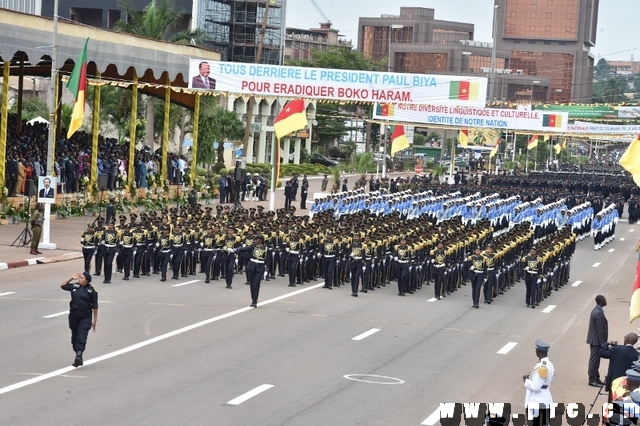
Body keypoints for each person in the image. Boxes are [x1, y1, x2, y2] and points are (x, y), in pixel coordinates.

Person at [60, 271, 98, 368]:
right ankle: (78, 354)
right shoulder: (74, 287)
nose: (80, 279)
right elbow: (63, 286)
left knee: (82, 335)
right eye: (80, 277)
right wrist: (72, 278)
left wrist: (95, 320)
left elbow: (95, 306)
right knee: (74, 338)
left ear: (87, 281)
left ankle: (79, 355)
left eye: (82, 278)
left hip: (85, 316)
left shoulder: (91, 291)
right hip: (74, 315)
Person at [523, 339, 554, 426]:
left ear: (538, 351)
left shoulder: (542, 366)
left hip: (537, 402)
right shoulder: (549, 364)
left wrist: (526, 381)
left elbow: (536, 387)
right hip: (544, 400)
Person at [601, 333, 640, 401]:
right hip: (628, 383)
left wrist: (607, 343)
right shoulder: (636, 354)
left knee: (611, 400)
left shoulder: (616, 349)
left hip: (614, 380)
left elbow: (602, 353)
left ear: (627, 340)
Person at [237, 234, 269, 308]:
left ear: (261, 241)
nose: (255, 241)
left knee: (256, 284)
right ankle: (253, 299)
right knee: (252, 284)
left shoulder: (266, 248)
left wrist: (267, 269)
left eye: (257, 239)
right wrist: (235, 249)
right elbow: (244, 249)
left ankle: (255, 301)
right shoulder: (252, 246)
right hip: (251, 266)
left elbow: (268, 259)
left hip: (260, 267)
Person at [586, 295, 608, 387]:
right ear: (601, 301)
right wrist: (603, 343)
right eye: (604, 300)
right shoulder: (598, 313)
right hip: (596, 341)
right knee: (594, 360)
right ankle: (592, 379)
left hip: (595, 340)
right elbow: (600, 329)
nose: (606, 301)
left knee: (596, 360)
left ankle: (596, 377)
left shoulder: (597, 310)